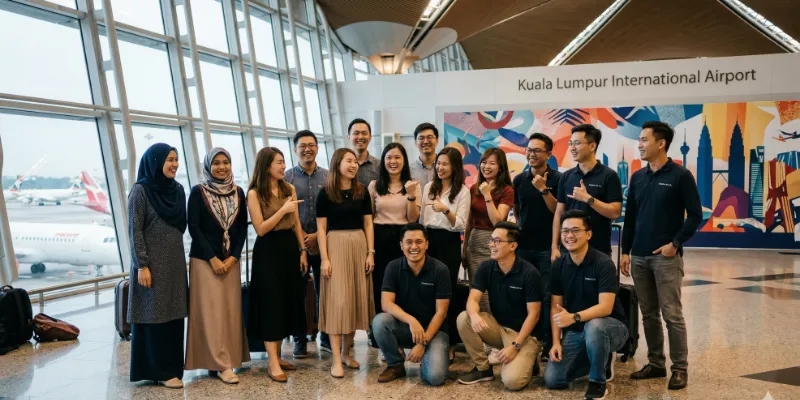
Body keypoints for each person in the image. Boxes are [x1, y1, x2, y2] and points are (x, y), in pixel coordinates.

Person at [620, 121, 702, 390]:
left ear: (661, 143)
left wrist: (675, 244)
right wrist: (625, 251)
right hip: (640, 258)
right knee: (648, 314)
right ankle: (656, 363)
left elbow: (696, 216)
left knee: (672, 315)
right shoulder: (638, 177)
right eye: (639, 140)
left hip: (666, 258)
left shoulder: (679, 175)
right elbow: (630, 217)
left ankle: (680, 369)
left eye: (644, 140)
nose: (640, 145)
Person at [544, 210, 629, 400]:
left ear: (588, 234)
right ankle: (600, 356)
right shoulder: (559, 265)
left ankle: (597, 381)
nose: (569, 236)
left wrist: (573, 317)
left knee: (595, 326)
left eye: (575, 230)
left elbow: (605, 308)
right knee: (553, 379)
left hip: (611, 326)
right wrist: (556, 342)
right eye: (565, 231)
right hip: (577, 330)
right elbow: (555, 308)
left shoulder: (603, 263)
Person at [185, 148, 249, 384]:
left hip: (231, 261)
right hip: (204, 261)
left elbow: (242, 227)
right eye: (216, 163)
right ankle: (219, 364)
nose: (221, 167)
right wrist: (213, 258)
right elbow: (194, 227)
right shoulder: (198, 192)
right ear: (208, 166)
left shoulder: (238, 192)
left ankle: (225, 360)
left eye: (226, 162)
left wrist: (233, 257)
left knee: (229, 313)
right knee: (210, 314)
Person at [127, 143, 188, 389]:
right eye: (169, 160)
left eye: (176, 159)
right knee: (154, 316)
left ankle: (173, 368)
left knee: (173, 315)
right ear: (155, 162)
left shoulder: (178, 190)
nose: (174, 164)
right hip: (151, 265)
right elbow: (134, 230)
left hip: (174, 262)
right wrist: (142, 265)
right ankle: (159, 371)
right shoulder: (141, 190)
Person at [246, 147, 308, 383]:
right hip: (268, 251)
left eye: (283, 162)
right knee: (271, 304)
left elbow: (296, 224)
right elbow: (260, 229)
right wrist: (282, 209)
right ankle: (272, 362)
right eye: (278, 163)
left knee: (285, 302)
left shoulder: (288, 188)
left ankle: (279, 355)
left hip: (289, 248)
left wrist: (302, 250)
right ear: (266, 166)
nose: (283, 166)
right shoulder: (254, 194)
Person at [456, 222, 543, 391]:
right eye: (491, 240)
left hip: (525, 335)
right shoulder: (486, 267)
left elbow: (534, 315)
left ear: (513, 246)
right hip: (499, 328)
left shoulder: (529, 273)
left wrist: (515, 346)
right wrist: (474, 316)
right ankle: (483, 370)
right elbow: (473, 300)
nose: (491, 245)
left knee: (512, 381)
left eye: (497, 241)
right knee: (464, 318)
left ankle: (529, 360)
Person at [316, 148, 376, 378]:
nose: (353, 165)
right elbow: (321, 229)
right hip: (335, 246)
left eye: (355, 162)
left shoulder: (362, 192)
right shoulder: (326, 193)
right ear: (337, 163)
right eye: (348, 161)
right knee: (337, 303)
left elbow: (368, 224)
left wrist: (370, 253)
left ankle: (346, 353)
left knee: (353, 300)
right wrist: (325, 259)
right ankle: (335, 360)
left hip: (359, 246)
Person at [373, 223, 451, 386]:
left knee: (435, 377)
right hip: (406, 328)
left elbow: (441, 313)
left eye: (419, 242)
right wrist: (411, 321)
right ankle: (395, 364)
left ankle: (428, 358)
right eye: (408, 242)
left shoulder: (440, 270)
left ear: (427, 244)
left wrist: (423, 343)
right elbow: (386, 304)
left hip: (434, 332)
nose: (414, 247)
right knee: (380, 321)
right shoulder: (393, 267)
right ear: (401, 245)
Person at [513, 133, 561, 357]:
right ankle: (527, 339)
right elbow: (518, 210)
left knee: (547, 295)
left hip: (547, 248)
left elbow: (557, 212)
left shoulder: (559, 179)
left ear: (549, 154)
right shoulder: (519, 180)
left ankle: (547, 341)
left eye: (537, 150)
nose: (531, 154)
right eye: (529, 150)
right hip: (524, 247)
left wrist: (544, 189)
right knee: (525, 295)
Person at [368, 143, 421, 345]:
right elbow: (369, 218)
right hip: (380, 237)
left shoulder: (413, 184)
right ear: (383, 161)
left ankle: (402, 331)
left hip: (404, 238)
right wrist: (370, 249)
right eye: (389, 157)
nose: (393, 161)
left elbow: (413, 217)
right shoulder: (374, 185)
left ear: (404, 161)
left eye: (398, 157)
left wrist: (411, 195)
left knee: (403, 285)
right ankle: (378, 333)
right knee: (380, 286)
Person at [285, 130, 331, 357]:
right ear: (295, 149)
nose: (307, 149)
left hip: (324, 243)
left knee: (325, 292)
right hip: (297, 245)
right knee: (297, 294)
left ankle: (325, 335)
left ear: (317, 148)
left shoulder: (328, 177)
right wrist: (304, 237)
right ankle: (300, 339)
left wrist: (316, 237)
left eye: (311, 145)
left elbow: (333, 210)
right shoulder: (286, 178)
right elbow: (287, 213)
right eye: (302, 146)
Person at [420, 147, 470, 353]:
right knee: (427, 289)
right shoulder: (429, 187)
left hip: (449, 241)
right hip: (429, 240)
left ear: (455, 167)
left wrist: (446, 210)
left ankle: (448, 342)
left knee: (445, 290)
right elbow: (423, 219)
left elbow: (461, 224)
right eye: (438, 163)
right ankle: (427, 335)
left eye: (445, 164)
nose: (440, 167)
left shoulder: (463, 191)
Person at [551, 124, 622, 261]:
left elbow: (615, 212)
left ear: (592, 146)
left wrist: (588, 199)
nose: (572, 148)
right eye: (570, 143)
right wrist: (554, 246)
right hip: (569, 249)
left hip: (598, 249)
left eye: (577, 143)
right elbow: (559, 213)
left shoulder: (609, 176)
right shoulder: (566, 176)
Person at [463, 147, 514, 312]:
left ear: (500, 167)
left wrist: (487, 196)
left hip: (496, 242)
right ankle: (480, 329)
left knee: (493, 289)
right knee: (476, 288)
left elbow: (498, 221)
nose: (486, 166)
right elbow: (469, 221)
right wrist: (464, 248)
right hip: (474, 241)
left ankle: (495, 330)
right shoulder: (473, 189)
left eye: (492, 163)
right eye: (484, 162)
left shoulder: (507, 190)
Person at [349, 118, 380, 186]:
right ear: (349, 137)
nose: (360, 137)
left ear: (370, 137)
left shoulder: (379, 165)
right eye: (356, 133)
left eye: (364, 133)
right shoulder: (340, 164)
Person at [410, 122, 439, 190]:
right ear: (415, 142)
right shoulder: (408, 170)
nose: (425, 141)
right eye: (421, 138)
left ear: (437, 140)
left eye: (430, 137)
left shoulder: (446, 168)